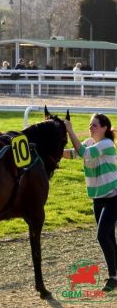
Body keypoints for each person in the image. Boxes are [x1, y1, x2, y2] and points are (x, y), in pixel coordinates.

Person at [64, 113, 117, 292]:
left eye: (94, 125)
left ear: (104, 128)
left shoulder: (107, 144)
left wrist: (70, 130)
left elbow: (83, 153)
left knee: (102, 236)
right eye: (90, 125)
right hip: (98, 197)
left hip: (113, 197)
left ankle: (113, 277)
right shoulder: (90, 142)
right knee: (109, 237)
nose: (90, 127)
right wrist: (46, 149)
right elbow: (72, 154)